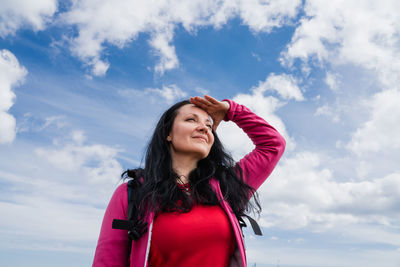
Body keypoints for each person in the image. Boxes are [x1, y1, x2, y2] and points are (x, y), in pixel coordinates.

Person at [92, 95, 286, 267]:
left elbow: (273, 144)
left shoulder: (228, 188)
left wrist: (230, 111)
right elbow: (107, 261)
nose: (203, 127)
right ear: (168, 133)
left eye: (209, 126)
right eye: (191, 120)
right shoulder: (131, 193)